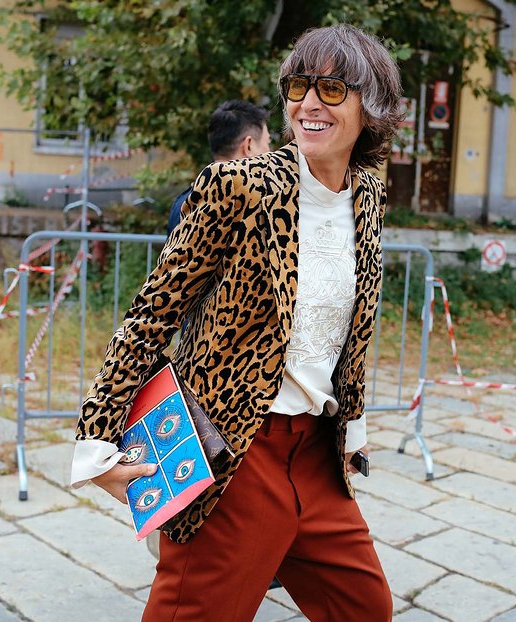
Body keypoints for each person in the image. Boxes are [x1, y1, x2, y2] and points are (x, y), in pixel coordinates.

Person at [71, 23, 403, 622]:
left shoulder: (369, 198)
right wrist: (96, 440)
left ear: (370, 106)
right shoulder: (240, 187)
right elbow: (154, 312)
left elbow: (350, 330)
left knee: (365, 610)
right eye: (299, 85)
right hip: (235, 452)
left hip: (317, 459)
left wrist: (349, 424)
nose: (308, 103)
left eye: (332, 89)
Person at [167, 99, 271, 235]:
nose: (270, 153)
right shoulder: (252, 209)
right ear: (249, 146)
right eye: (268, 143)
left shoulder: (183, 203)